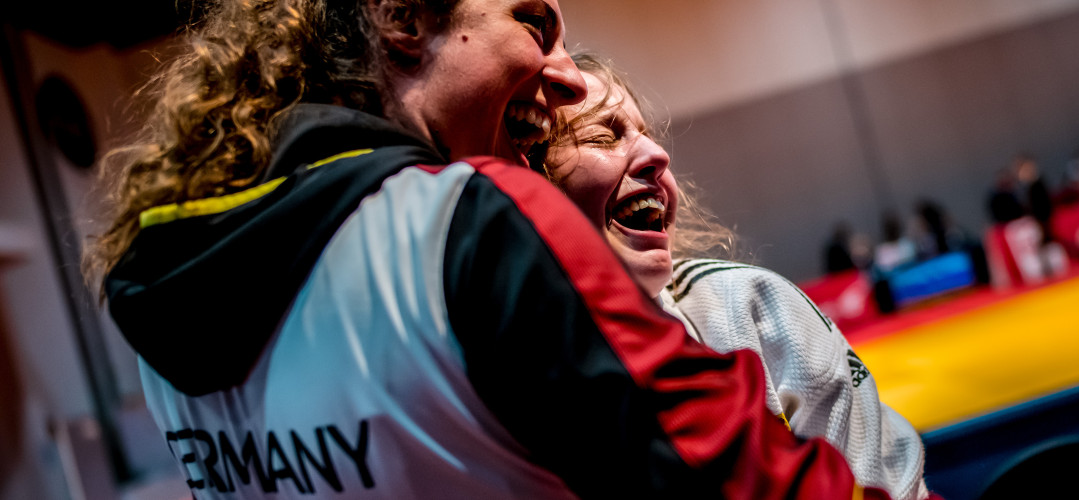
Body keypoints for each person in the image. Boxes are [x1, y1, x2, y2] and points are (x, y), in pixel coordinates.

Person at [87, 1, 885, 498]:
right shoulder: (459, 224)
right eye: (533, 22)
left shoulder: (165, 306)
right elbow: (742, 480)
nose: (564, 73)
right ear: (403, 18)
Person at [539, 53, 931, 500]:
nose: (657, 155)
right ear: (532, 184)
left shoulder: (748, 307)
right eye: (603, 135)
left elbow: (885, 482)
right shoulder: (505, 382)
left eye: (646, 134)